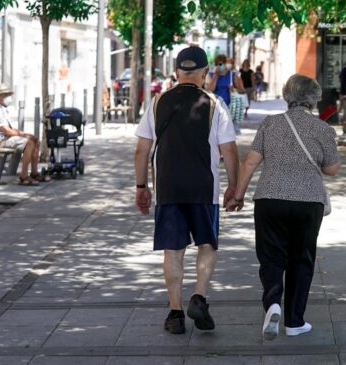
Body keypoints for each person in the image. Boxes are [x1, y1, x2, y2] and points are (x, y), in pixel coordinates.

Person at [134, 46, 240, 335]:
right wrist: (235, 186)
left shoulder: (157, 103)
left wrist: (142, 186)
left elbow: (142, 151)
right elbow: (228, 150)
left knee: (173, 250)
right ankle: (199, 297)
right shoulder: (215, 103)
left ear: (177, 72)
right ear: (205, 73)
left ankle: (175, 313)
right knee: (207, 244)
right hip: (203, 189)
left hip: (167, 188)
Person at [226, 74, 341, 340]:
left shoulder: (270, 124)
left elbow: (250, 163)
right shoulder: (323, 128)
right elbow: (332, 169)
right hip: (308, 202)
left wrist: (238, 195)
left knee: (271, 257)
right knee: (301, 259)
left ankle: (273, 303)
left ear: (287, 95)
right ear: (314, 98)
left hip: (269, 199)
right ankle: (295, 321)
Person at [0, 84, 48, 186]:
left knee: (36, 140)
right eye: (6, 95)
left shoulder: (2, 109)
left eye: (9, 94)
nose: (9, 97)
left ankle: (34, 173)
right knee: (29, 143)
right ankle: (23, 176)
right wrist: (25, 136)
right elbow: (6, 131)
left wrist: (25, 134)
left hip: (6, 138)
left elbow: (10, 129)